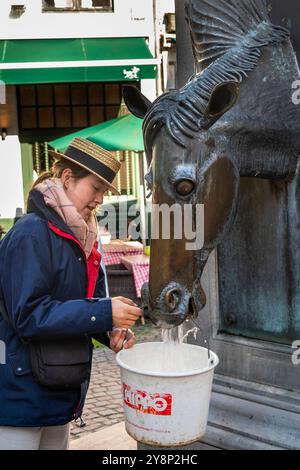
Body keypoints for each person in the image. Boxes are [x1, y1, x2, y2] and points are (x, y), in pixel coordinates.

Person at [0, 137, 141, 450]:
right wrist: (104, 312)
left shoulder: (84, 236)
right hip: (20, 395)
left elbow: (88, 303)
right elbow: (29, 315)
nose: (100, 199)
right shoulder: (31, 232)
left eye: (105, 192)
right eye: (96, 188)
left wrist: (111, 330)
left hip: (57, 392)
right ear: (66, 178)